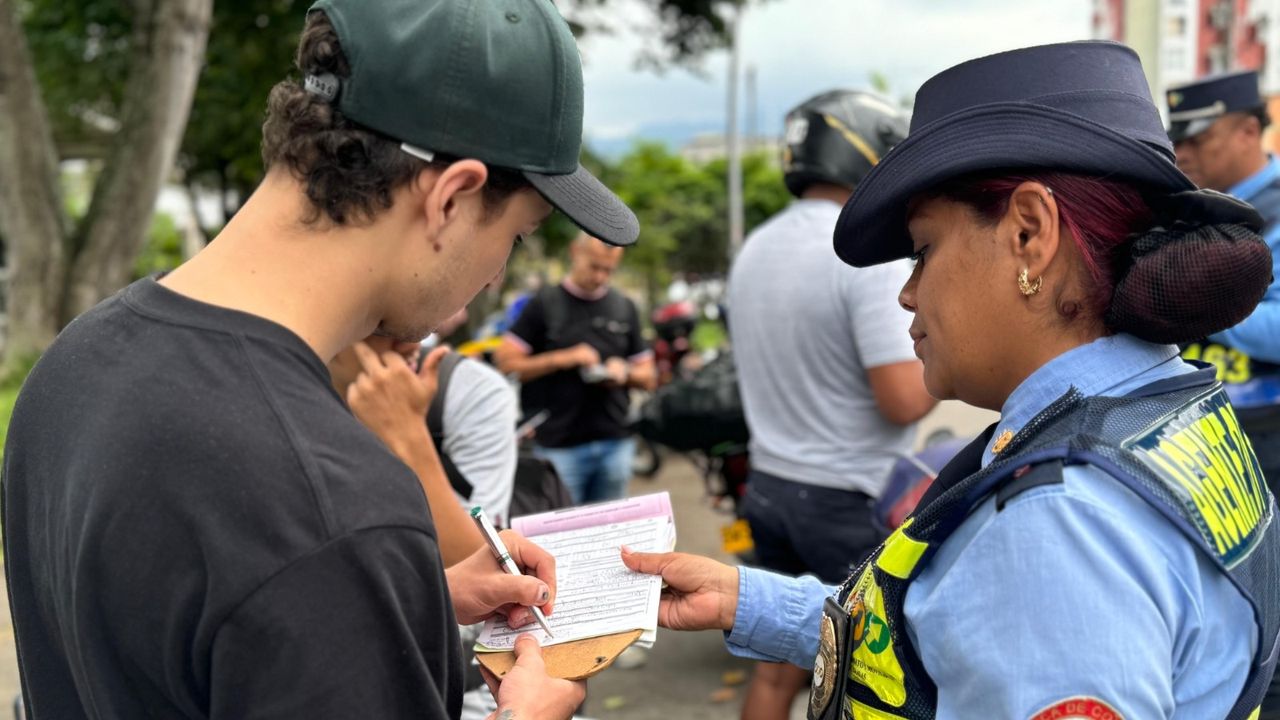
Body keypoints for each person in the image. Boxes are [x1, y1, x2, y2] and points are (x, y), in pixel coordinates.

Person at [2, 0, 640, 718]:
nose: (495, 275)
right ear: (452, 197)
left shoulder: (70, 369)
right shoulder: (335, 510)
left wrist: (399, 604)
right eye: (517, 236)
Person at [621, 41, 1280, 719]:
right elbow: (947, 637)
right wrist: (748, 602)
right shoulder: (1158, 405)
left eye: (922, 251)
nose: (907, 295)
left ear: (1029, 235)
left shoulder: (1054, 530)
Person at [726, 89, 935, 720]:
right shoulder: (864, 254)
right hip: (847, 500)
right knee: (867, 681)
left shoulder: (755, 247)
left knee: (776, 669)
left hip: (769, 487)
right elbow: (902, 401)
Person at [1167, 71, 1280, 495]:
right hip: (1185, 427)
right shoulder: (1187, 205)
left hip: (1265, 432)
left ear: (1249, 131)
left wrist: (1196, 301)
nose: (1182, 153)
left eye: (1197, 139)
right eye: (1177, 140)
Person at [495, 233, 658, 505]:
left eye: (609, 270)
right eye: (594, 266)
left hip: (614, 444)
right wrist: (563, 358)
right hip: (558, 447)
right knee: (561, 536)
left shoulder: (624, 307)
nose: (600, 277)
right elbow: (506, 363)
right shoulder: (544, 303)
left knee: (610, 536)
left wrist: (624, 373)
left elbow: (649, 376)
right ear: (575, 252)